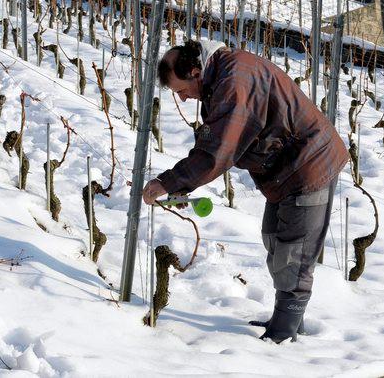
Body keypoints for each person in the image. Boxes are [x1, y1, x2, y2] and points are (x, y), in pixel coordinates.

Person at [142, 39, 348, 343]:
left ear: (196, 71)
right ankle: (287, 322)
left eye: (180, 90)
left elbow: (217, 151)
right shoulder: (221, 76)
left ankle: (285, 335)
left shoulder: (234, 83)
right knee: (274, 240)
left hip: (309, 166)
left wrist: (169, 182)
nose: (183, 99)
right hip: (286, 171)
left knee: (293, 253)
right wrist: (183, 185)